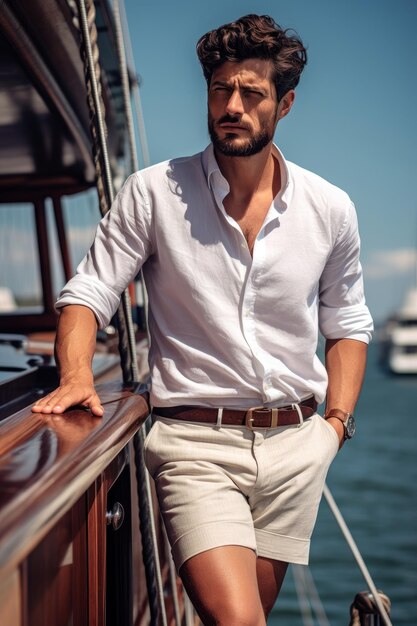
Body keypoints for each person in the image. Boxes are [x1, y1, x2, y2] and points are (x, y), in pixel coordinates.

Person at [32, 14, 373, 626]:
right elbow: (90, 290)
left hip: (297, 449)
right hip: (195, 448)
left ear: (285, 103)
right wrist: (77, 373)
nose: (232, 105)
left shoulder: (331, 209)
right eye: (220, 89)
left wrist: (335, 427)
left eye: (251, 93)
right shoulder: (153, 193)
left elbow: (347, 323)